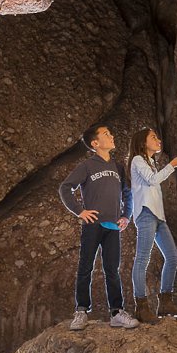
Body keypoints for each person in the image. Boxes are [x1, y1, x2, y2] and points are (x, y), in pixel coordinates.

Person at [58, 122, 139, 331]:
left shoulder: (118, 167)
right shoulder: (87, 166)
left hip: (112, 226)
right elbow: (65, 188)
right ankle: (81, 311)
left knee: (112, 269)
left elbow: (127, 193)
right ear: (95, 143)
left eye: (110, 132)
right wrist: (80, 211)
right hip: (92, 225)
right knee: (86, 267)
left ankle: (116, 313)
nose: (111, 135)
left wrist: (126, 216)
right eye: (106, 133)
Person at [127, 127, 177, 324]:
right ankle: (141, 306)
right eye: (153, 137)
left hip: (158, 216)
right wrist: (172, 165)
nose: (158, 140)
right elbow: (152, 180)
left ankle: (165, 302)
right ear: (143, 143)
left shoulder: (151, 162)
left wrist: (170, 165)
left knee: (173, 256)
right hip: (146, 214)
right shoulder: (137, 160)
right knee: (142, 259)